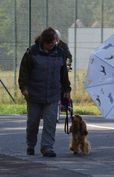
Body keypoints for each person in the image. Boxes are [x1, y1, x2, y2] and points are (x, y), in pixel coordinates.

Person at [18, 27, 71, 157]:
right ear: (44, 42)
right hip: (34, 94)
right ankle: (31, 145)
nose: (53, 45)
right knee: (32, 123)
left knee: (50, 121)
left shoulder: (60, 53)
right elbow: (23, 72)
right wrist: (24, 88)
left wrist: (66, 89)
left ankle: (47, 148)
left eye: (55, 42)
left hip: (53, 94)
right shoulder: (32, 52)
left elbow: (63, 74)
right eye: (51, 43)